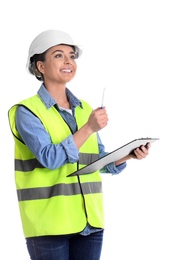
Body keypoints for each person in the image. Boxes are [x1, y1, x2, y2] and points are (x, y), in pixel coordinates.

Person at [8, 29, 151, 260]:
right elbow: (50, 158)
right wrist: (88, 128)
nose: (68, 61)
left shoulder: (84, 108)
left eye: (72, 56)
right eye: (58, 55)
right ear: (40, 66)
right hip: (49, 226)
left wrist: (128, 155)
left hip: (89, 223)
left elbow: (96, 160)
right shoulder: (27, 112)